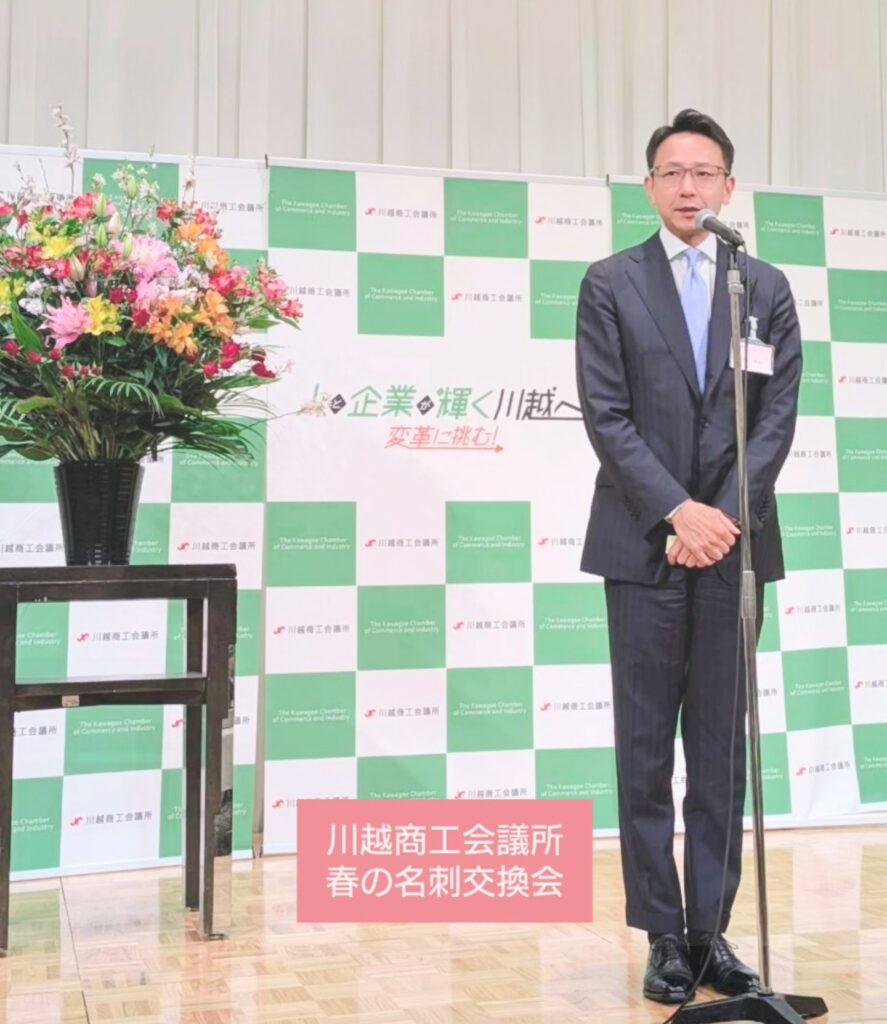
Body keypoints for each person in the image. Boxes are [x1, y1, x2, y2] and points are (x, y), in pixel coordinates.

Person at [575, 109, 801, 1005]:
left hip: (732, 551)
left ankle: (710, 934)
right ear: (647, 186)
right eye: (671, 173)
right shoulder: (610, 282)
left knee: (719, 754)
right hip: (645, 545)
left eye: (703, 173)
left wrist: (722, 520)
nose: (687, 187)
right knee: (643, 755)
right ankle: (662, 936)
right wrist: (677, 510)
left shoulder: (763, 287)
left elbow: (774, 417)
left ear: (728, 188)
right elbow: (606, 415)